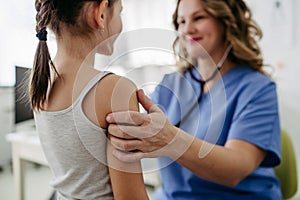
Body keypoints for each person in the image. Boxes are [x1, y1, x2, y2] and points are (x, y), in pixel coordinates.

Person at [106, 0, 282, 199]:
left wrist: (171, 139)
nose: (187, 29)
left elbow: (237, 168)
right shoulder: (172, 85)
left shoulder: (257, 88)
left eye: (199, 18)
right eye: (181, 21)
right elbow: (134, 129)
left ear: (226, 21)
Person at [29, 0, 149, 199]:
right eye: (120, 12)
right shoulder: (114, 90)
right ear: (101, 13)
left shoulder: (41, 79)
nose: (120, 22)